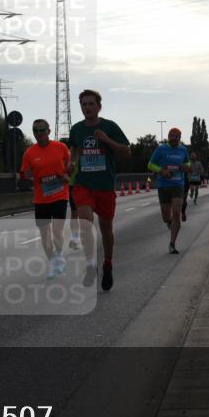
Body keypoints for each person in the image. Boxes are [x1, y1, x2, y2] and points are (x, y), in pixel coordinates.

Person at [68, 89, 131, 291]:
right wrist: (71, 162)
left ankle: (108, 264)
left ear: (99, 106)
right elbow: (75, 149)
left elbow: (127, 152)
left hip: (104, 185)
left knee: (106, 230)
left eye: (91, 104)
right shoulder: (77, 129)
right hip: (83, 184)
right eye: (84, 104)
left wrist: (107, 140)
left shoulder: (109, 126)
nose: (87, 108)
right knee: (85, 221)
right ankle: (90, 264)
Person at [20, 119, 71, 279]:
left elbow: (71, 165)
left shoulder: (60, 147)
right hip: (41, 198)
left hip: (60, 194)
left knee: (57, 229)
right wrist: (26, 176)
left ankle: (60, 254)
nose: (39, 134)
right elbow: (24, 173)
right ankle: (54, 262)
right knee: (44, 233)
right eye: (35, 130)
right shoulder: (29, 153)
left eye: (42, 130)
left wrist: (67, 175)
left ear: (49, 131)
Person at [148, 128, 190, 254]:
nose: (174, 138)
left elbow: (187, 163)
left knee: (176, 212)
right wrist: (162, 171)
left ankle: (172, 244)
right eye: (172, 136)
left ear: (180, 137)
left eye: (176, 136)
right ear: (168, 136)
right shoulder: (161, 149)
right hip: (163, 185)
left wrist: (185, 166)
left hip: (178, 184)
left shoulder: (183, 149)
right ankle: (170, 222)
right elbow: (150, 164)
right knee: (166, 217)